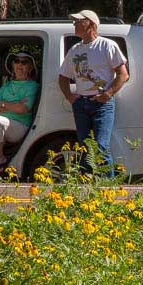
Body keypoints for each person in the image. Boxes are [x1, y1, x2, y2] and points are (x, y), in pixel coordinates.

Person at [58, 10, 129, 175]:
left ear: (90, 24)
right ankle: (88, 186)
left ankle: (107, 186)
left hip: (101, 104)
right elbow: (63, 77)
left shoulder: (107, 45)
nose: (74, 24)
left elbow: (123, 74)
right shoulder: (75, 49)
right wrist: (70, 96)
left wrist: (108, 94)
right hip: (81, 104)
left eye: (78, 21)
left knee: (100, 146)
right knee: (84, 147)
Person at [0, 51, 40, 182]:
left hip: (19, 126)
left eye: (24, 62)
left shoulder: (33, 86)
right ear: (12, 65)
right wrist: (13, 105)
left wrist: (3, 104)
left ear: (31, 67)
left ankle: (0, 159)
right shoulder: (6, 85)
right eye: (16, 61)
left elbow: (23, 109)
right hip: (0, 126)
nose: (19, 65)